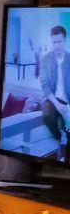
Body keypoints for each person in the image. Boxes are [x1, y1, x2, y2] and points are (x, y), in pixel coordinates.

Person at [40, 24, 70, 163]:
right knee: (47, 114)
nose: (56, 46)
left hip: (68, 101)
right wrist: (58, 105)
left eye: (59, 42)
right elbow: (45, 85)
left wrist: (68, 108)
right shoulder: (46, 59)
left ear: (65, 41)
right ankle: (59, 136)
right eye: (54, 42)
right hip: (52, 99)